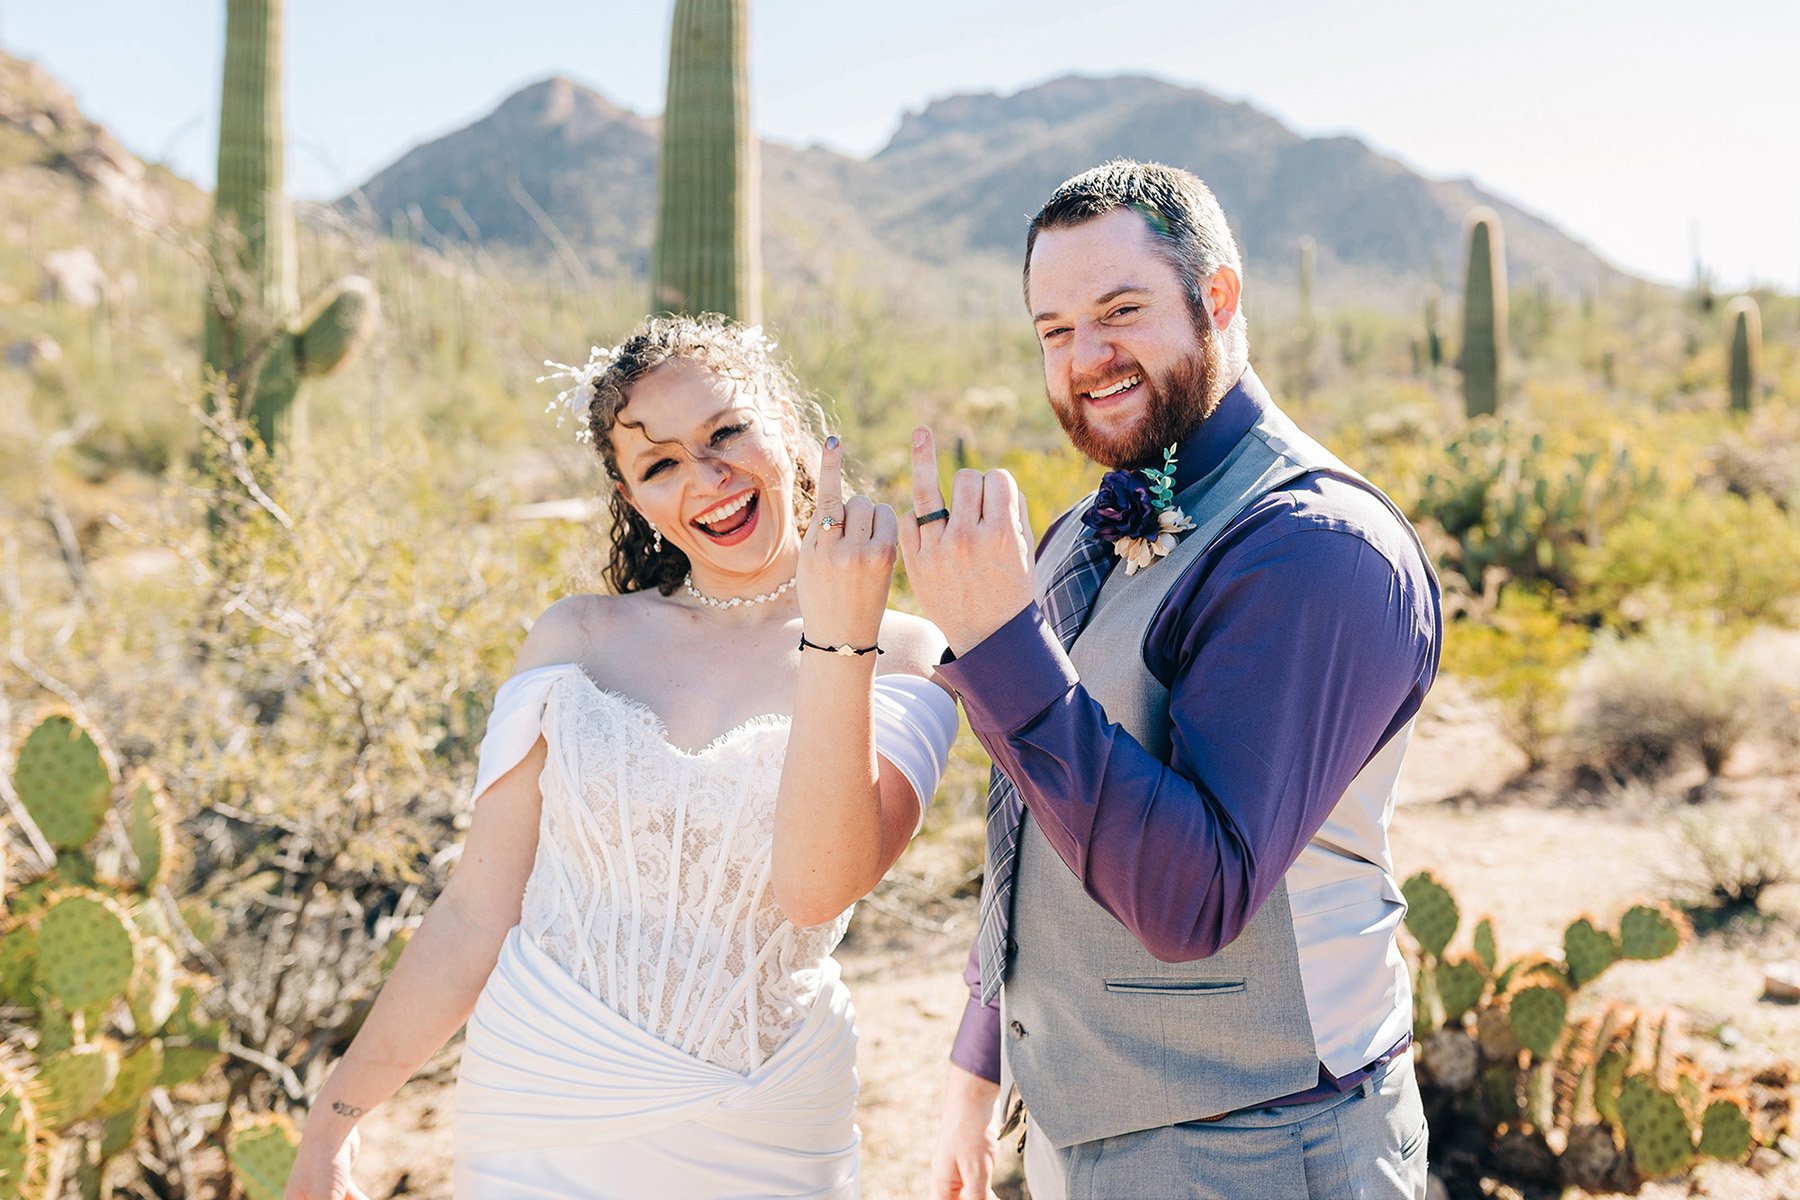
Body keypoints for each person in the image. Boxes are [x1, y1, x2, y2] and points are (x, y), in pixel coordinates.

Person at [285, 314, 958, 1200]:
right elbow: (475, 913)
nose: (707, 479)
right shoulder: (577, 639)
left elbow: (817, 887)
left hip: (762, 1127)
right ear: (632, 497)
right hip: (541, 1101)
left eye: (726, 433)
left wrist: (838, 636)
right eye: (661, 464)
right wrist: (334, 1121)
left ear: (788, 426)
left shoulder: (907, 650)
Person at [904, 160, 1442, 1200]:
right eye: (1053, 330)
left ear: (1220, 298)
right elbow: (1029, 818)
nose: (1085, 357)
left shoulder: (1315, 549)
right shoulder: (1072, 535)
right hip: (1080, 1128)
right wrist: (981, 1062)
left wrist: (1001, 642)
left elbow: (1193, 901)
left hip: (1269, 1145)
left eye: (1121, 310)